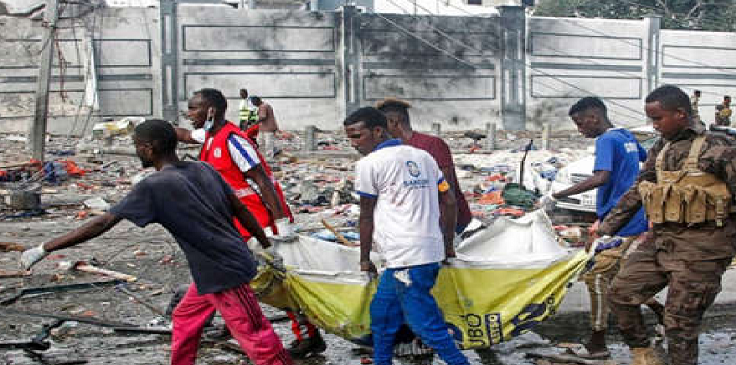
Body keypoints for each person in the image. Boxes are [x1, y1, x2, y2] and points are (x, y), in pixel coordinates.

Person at [19, 120, 293, 365]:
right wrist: (265, 245)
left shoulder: (154, 186)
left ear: (149, 148)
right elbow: (241, 210)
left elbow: (102, 224)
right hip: (212, 269)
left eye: (137, 146)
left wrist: (45, 248)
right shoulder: (203, 168)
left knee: (255, 336)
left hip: (224, 271)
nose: (136, 151)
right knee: (185, 318)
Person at [597, 85, 736, 365]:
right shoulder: (662, 147)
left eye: (658, 119)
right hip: (664, 240)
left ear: (680, 114)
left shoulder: (721, 148)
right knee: (620, 294)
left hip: (706, 246)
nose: (654, 126)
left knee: (680, 323)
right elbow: (639, 188)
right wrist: (605, 229)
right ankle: (646, 354)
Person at [174, 88, 325, 358]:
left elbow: (263, 181)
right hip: (235, 226)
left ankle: (308, 335)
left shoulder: (234, 141)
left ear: (211, 111)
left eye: (194, 109)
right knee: (236, 282)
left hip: (260, 224)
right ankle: (235, 325)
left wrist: (280, 224)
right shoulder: (209, 137)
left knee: (276, 284)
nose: (189, 114)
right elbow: (184, 135)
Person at [344, 107, 470, 365]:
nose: (353, 144)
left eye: (357, 136)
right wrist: (446, 244)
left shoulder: (369, 165)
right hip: (419, 254)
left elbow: (366, 215)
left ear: (378, 131)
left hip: (406, 257)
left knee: (428, 326)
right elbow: (448, 200)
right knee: (382, 317)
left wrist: (364, 258)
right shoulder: (423, 157)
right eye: (350, 138)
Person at [541, 97, 663, 359]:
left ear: (594, 117)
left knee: (596, 278)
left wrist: (558, 194)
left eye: (580, 123)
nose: (580, 129)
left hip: (621, 222)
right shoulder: (626, 136)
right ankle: (663, 317)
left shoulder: (606, 140)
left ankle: (597, 343)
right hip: (627, 217)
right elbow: (647, 159)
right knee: (618, 276)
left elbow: (601, 177)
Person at [376, 98, 472, 235]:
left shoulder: (432, 145)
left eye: (381, 126)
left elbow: (446, 192)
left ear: (393, 122)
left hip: (443, 224)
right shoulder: (387, 150)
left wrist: (446, 238)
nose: (378, 132)